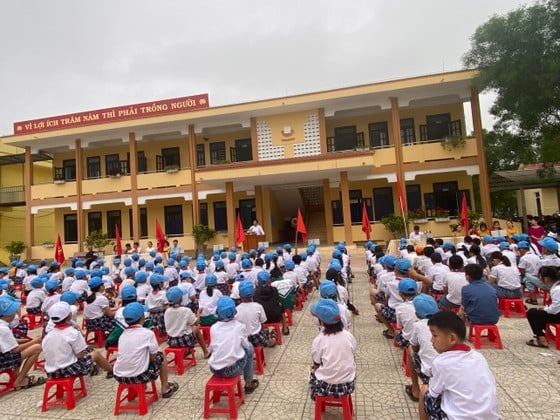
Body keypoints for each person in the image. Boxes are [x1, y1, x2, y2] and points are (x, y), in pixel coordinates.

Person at [419, 311, 499, 420]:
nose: (431, 340)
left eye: (434, 335)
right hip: (491, 417)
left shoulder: (441, 363)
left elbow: (433, 394)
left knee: (424, 390)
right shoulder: (478, 356)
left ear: (452, 338)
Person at [113, 302, 179, 398]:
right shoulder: (147, 333)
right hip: (139, 375)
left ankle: (133, 392)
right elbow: (153, 357)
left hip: (120, 376)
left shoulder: (122, 335)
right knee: (161, 353)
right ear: (143, 317)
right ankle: (165, 388)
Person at [43, 302, 113, 379]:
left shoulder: (48, 335)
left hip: (51, 372)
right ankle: (111, 370)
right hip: (69, 370)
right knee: (95, 354)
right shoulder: (73, 333)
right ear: (69, 316)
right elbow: (80, 355)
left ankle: (95, 368)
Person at [208, 296, 259, 394]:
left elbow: (211, 348)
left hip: (214, 369)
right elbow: (246, 346)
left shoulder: (213, 328)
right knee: (249, 348)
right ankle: (248, 383)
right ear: (234, 311)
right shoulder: (239, 326)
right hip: (232, 370)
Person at [309, 298, 357, 400]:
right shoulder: (349, 336)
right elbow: (352, 354)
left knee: (313, 372)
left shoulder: (319, 340)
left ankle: (316, 394)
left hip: (326, 386)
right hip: (348, 385)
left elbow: (316, 363)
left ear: (321, 321)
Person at [0, 294, 45, 390]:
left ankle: (18, 375)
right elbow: (15, 349)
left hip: (3, 355)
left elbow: (10, 341)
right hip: (3, 360)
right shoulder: (3, 328)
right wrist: (34, 342)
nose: (15, 314)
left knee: (30, 346)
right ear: (8, 314)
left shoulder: (2, 325)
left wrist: (28, 340)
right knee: (37, 348)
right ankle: (20, 380)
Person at [404, 293, 439, 403]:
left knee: (410, 349)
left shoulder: (418, 325)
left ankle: (415, 389)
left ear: (417, 314)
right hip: (449, 373)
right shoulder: (446, 323)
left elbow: (414, 347)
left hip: (430, 373)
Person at [164, 286, 210, 358]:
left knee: (188, 329)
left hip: (171, 340)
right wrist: (198, 313)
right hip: (183, 340)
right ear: (180, 299)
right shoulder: (185, 310)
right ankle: (206, 352)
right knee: (196, 328)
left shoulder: (167, 311)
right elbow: (196, 322)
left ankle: (187, 351)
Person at [525, 266, 560, 348]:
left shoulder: (557, 289)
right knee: (538, 312)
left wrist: (545, 309)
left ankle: (541, 339)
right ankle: (546, 334)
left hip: (558, 315)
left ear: (547, 278)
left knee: (532, 313)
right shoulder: (556, 286)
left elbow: (555, 309)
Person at [236, 281, 277, 347]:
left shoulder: (237, 309)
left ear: (240, 295)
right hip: (257, 336)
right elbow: (263, 322)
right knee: (271, 332)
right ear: (253, 293)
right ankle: (268, 341)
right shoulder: (258, 306)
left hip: (244, 338)